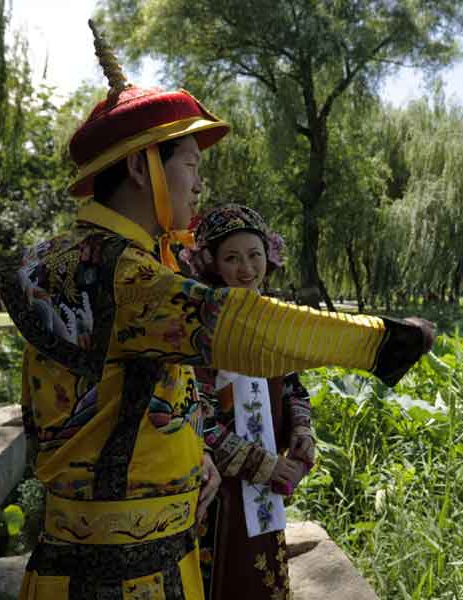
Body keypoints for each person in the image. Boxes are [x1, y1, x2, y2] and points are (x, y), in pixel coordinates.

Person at [0, 21, 434, 600]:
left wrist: (194, 453)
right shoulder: (119, 274)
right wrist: (385, 339)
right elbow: (240, 327)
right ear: (140, 168)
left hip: (138, 553)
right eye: (190, 165)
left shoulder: (88, 260)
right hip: (121, 579)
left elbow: (143, 392)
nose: (200, 185)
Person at [181, 204, 310, 599]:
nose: (246, 269)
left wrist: (303, 430)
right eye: (232, 258)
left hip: (268, 484)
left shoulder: (274, 321)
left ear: (268, 258)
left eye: (254, 255)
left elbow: (293, 388)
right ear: (213, 265)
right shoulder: (199, 330)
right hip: (220, 490)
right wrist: (263, 466)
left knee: (264, 577)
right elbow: (195, 416)